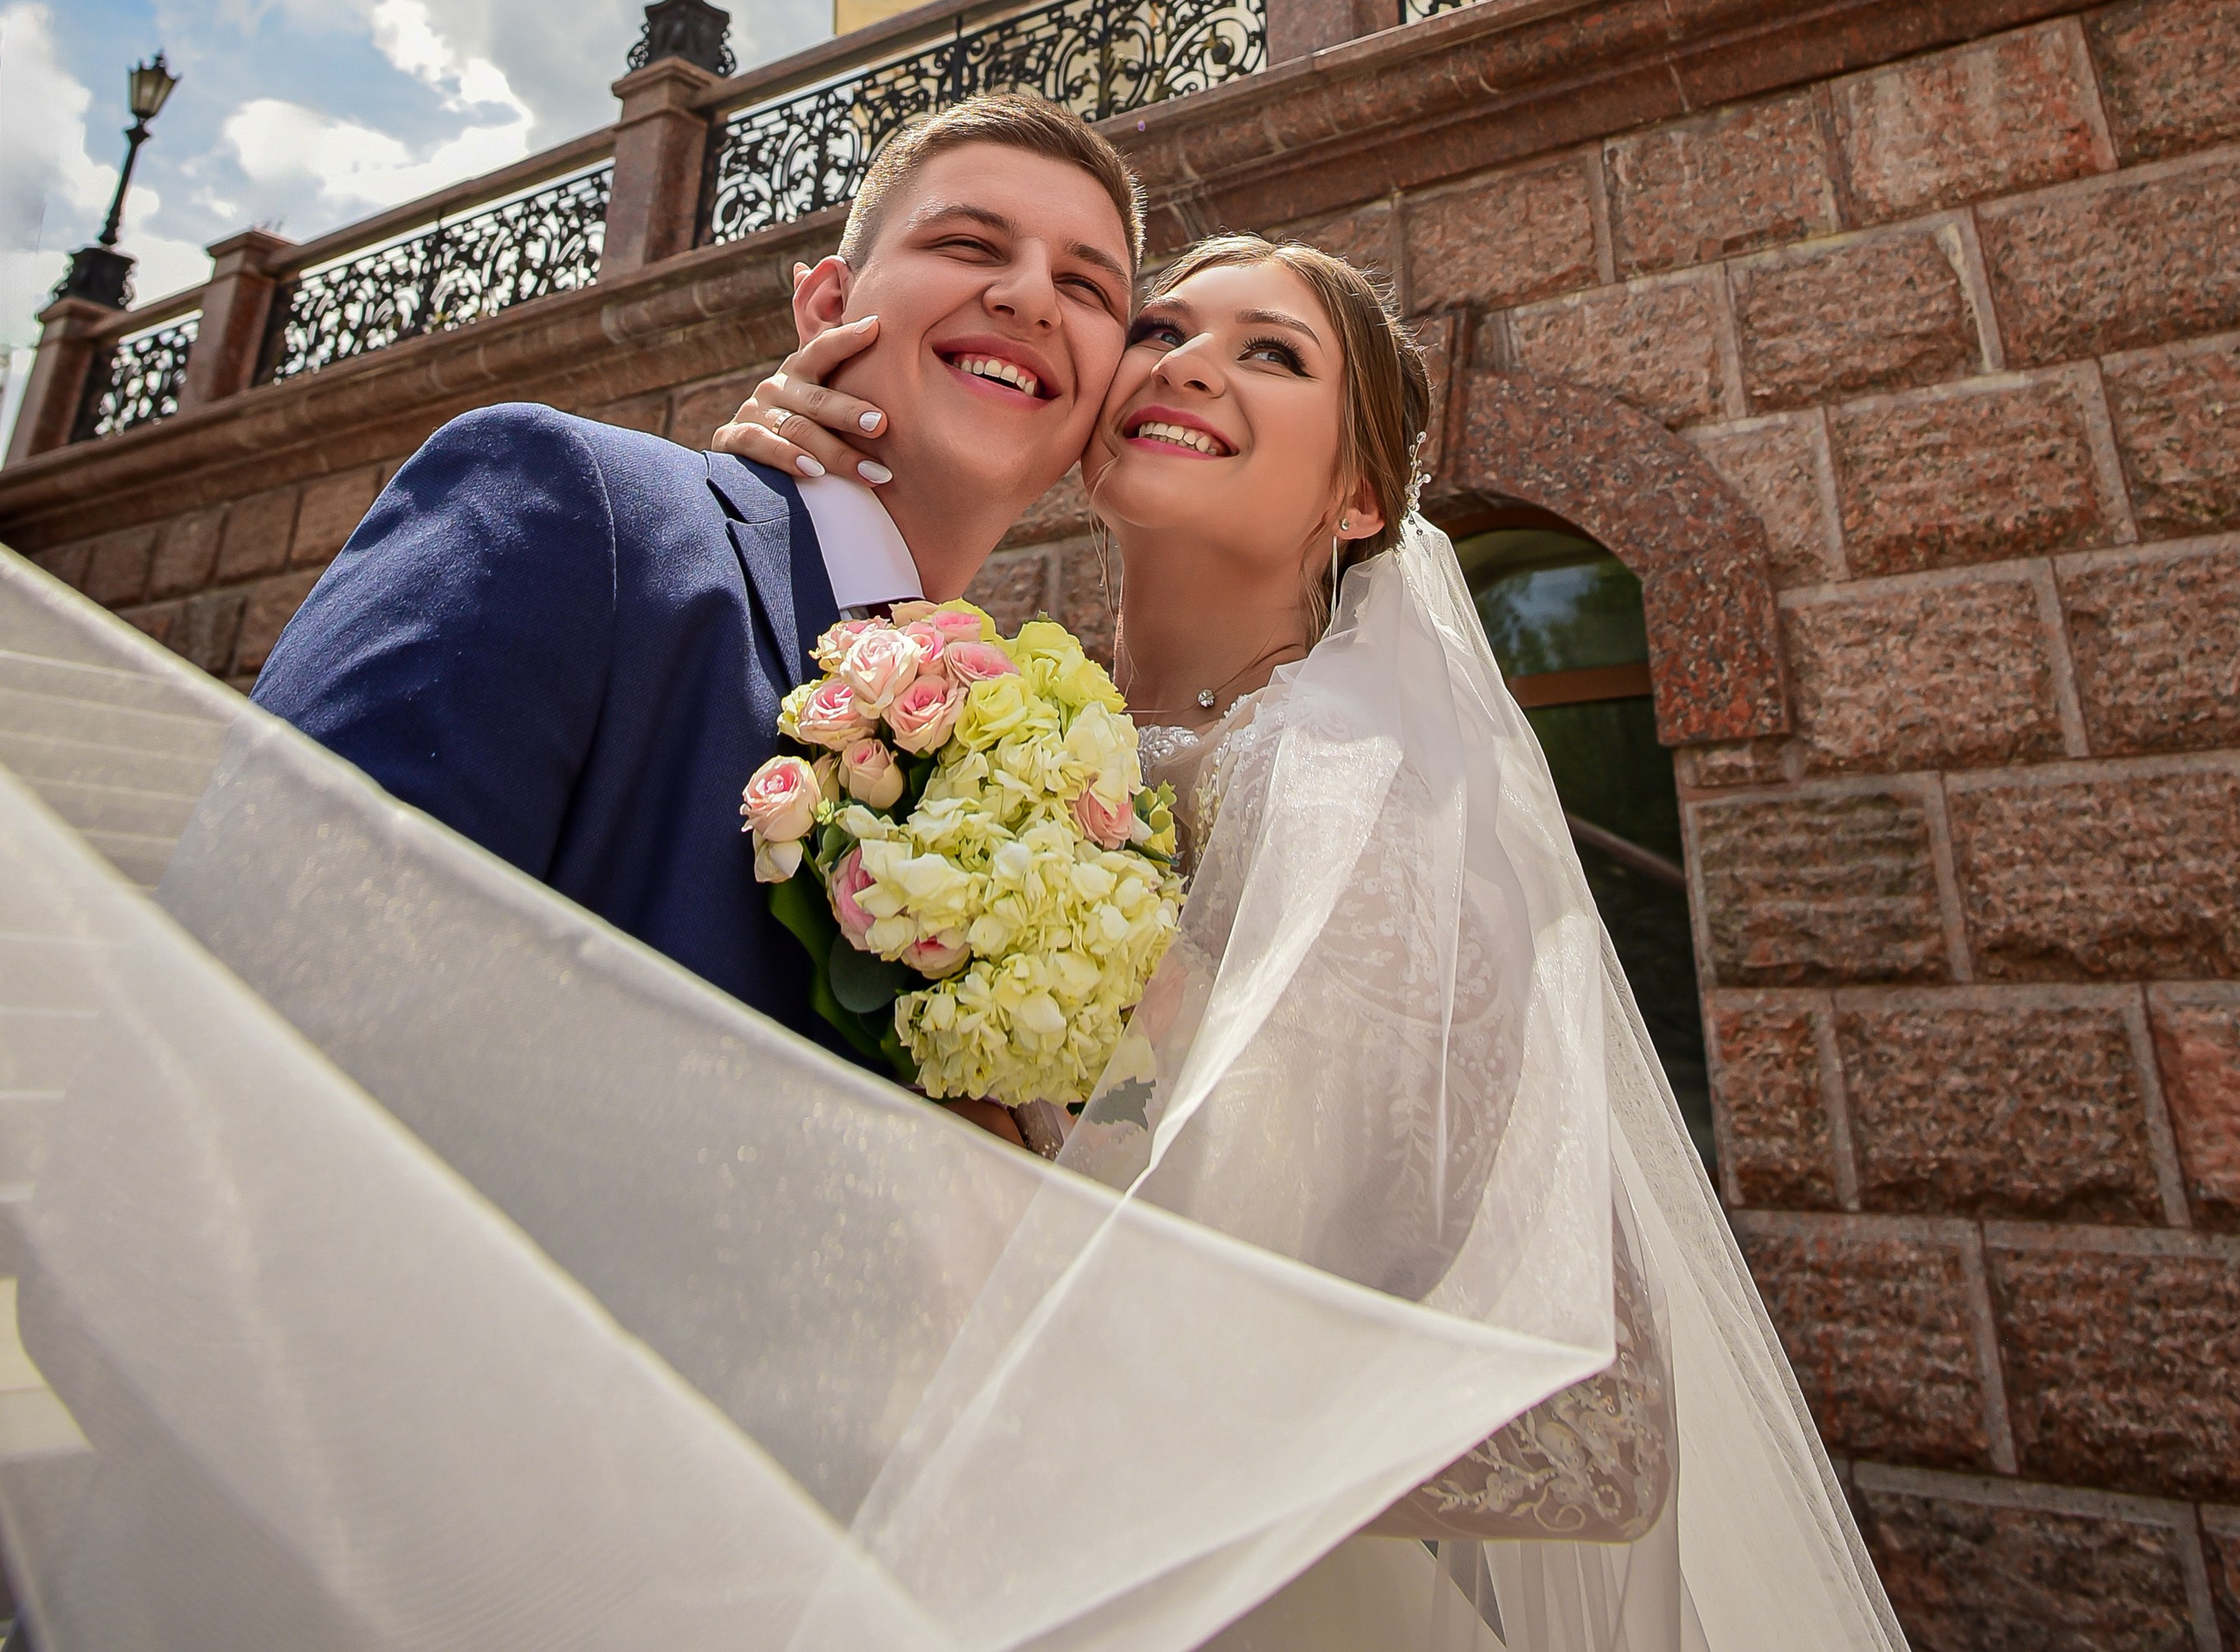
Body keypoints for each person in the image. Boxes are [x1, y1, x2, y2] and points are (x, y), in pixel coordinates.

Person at [724, 231, 1905, 1651]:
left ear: (1358, 497)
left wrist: (1017, 1218)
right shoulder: (1004, 738)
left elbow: (1595, 1423)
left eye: (1271, 353)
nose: (1192, 363)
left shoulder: (1351, 783)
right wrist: (764, 491)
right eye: (1160, 332)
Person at [250, 91, 1141, 1051]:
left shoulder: (1024, 756)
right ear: (828, 306)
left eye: (1088, 288)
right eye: (969, 245)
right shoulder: (567, 505)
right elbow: (266, 964)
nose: (1032, 296)